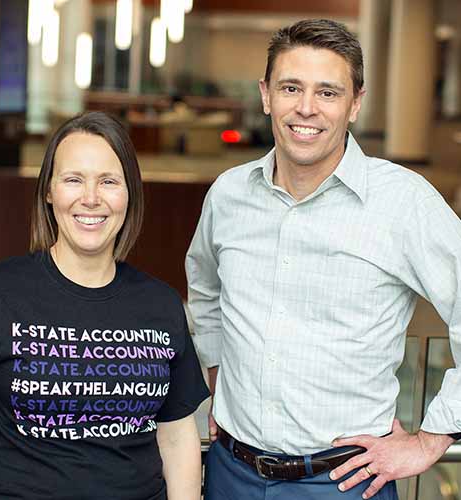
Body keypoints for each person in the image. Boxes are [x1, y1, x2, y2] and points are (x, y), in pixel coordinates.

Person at [186, 18, 461, 500]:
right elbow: (205, 289)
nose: (306, 108)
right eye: (291, 87)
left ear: (355, 103)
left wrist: (431, 439)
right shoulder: (228, 194)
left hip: (343, 484)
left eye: (328, 92)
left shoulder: (403, 202)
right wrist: (218, 374)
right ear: (266, 94)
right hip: (231, 473)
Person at [0, 111, 209, 500]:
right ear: (49, 191)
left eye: (108, 181)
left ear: (130, 194)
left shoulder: (160, 304)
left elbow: (177, 440)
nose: (91, 198)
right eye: (73, 179)